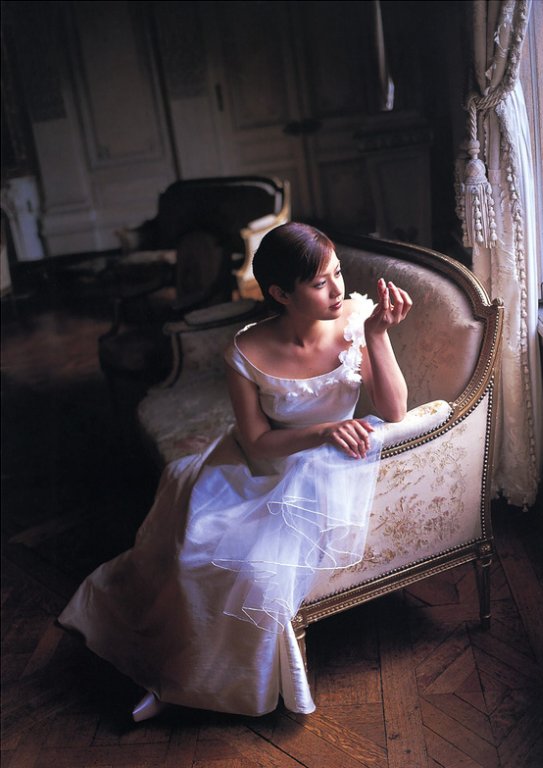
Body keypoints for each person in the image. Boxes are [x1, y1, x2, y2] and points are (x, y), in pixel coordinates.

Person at [58, 222, 412, 721]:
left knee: (252, 574)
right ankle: (168, 672)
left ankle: (205, 685)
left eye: (337, 273)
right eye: (320, 283)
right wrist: (323, 429)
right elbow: (258, 440)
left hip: (324, 472)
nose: (337, 289)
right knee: (190, 553)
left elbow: (394, 411)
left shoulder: (356, 319)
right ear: (280, 294)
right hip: (260, 462)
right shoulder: (245, 350)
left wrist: (377, 334)